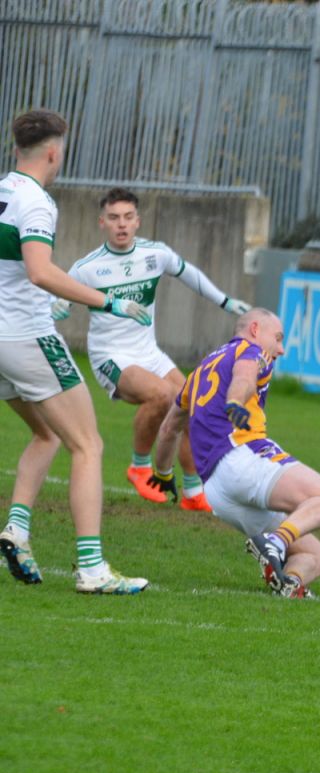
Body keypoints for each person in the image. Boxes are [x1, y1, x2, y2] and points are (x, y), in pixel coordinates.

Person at [0, 109, 151, 594]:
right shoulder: (38, 203)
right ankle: (92, 569)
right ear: (52, 151)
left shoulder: (3, 189)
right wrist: (109, 301)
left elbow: (20, 271)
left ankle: (16, 533)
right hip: (26, 338)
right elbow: (40, 270)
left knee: (46, 434)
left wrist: (42, 295)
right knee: (88, 444)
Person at [63, 187, 251, 511]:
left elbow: (189, 274)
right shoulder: (88, 267)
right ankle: (139, 466)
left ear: (138, 220)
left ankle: (193, 493)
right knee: (163, 396)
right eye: (113, 218)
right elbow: (58, 293)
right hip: (111, 356)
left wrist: (225, 300)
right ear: (101, 222)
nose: (121, 224)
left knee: (196, 403)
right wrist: (57, 307)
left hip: (149, 352)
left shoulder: (155, 254)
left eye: (127, 217)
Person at [151, 308, 320, 598]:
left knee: (316, 556)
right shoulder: (251, 350)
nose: (280, 350)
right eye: (278, 339)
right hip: (242, 458)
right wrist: (235, 402)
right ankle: (275, 543)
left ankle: (288, 584)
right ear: (255, 329)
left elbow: (170, 428)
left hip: (218, 492)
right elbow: (243, 378)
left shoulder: (200, 371)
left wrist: (163, 472)